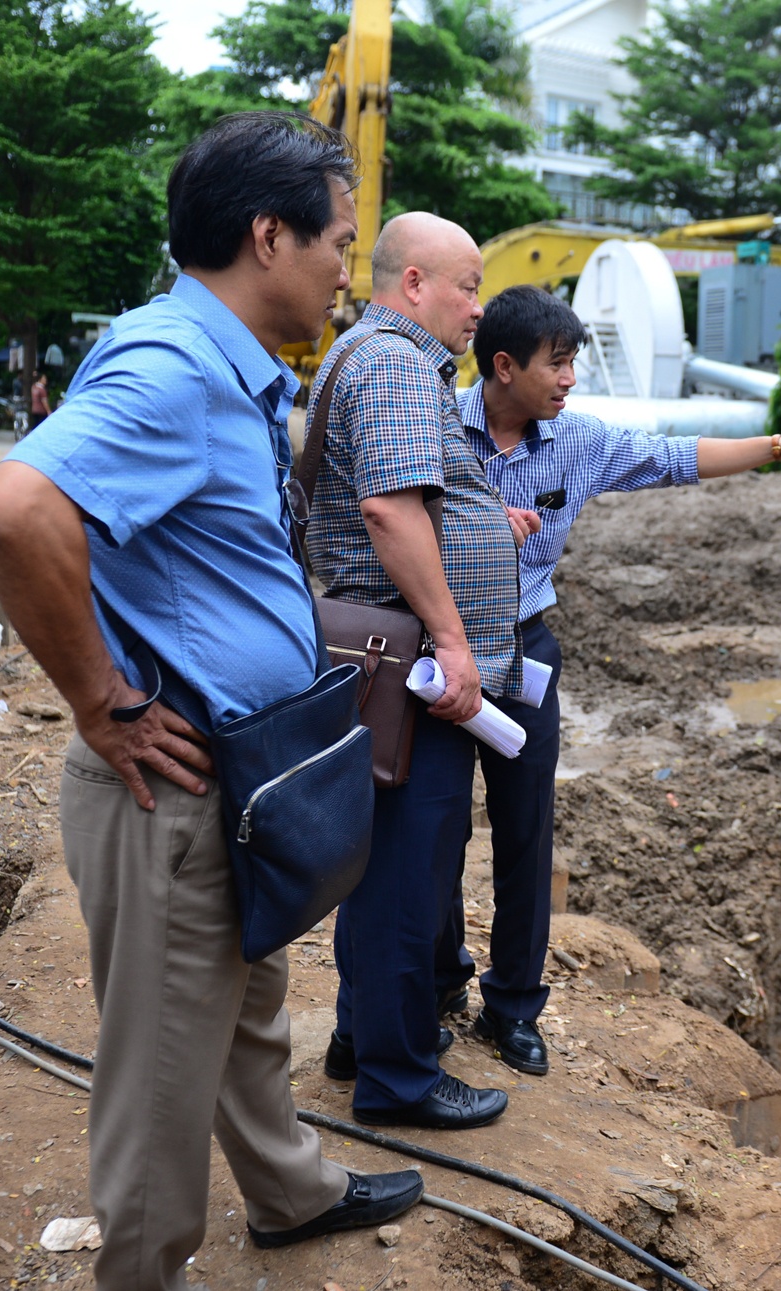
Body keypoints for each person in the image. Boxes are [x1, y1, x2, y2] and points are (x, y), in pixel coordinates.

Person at [0, 113, 423, 1291]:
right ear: (268, 238)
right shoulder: (170, 368)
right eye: (337, 242)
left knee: (248, 1000)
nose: (344, 271)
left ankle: (288, 1190)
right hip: (168, 781)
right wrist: (100, 699)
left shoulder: (223, 368)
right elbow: (16, 512)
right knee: (165, 1061)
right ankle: (143, 1269)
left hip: (242, 772)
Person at [442, 284, 781, 1075]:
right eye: (557, 364)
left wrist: (778, 445)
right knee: (436, 829)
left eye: (574, 363)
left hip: (524, 650)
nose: (569, 380)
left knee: (528, 831)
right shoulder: (434, 427)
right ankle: (439, 983)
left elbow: (675, 458)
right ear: (503, 366)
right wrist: (472, 522)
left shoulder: (577, 442)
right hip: (440, 651)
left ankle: (512, 1007)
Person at [304, 212, 535, 1125]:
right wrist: (452, 640)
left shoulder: (373, 354)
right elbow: (391, 511)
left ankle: (364, 1034)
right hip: (410, 664)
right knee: (409, 872)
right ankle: (397, 1081)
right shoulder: (398, 362)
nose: (479, 308)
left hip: (384, 657)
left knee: (382, 862)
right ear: (412, 285)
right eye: (467, 286)